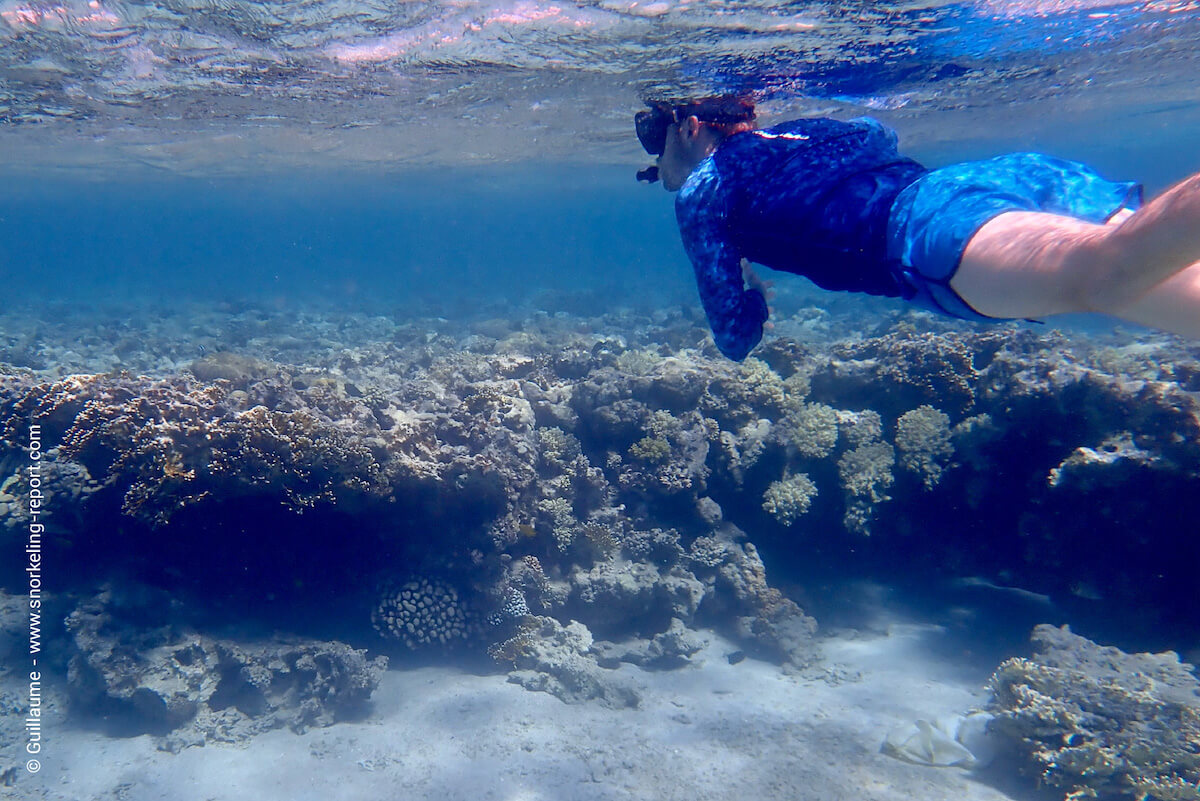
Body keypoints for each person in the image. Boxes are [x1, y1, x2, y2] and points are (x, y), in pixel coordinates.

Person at [634, 96, 1200, 361]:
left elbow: (734, 338)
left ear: (686, 127)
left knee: (1106, 274)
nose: (656, 168)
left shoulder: (701, 191)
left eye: (651, 144)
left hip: (932, 237)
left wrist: (754, 297)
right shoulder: (802, 132)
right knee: (1160, 280)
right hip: (1003, 179)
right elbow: (875, 131)